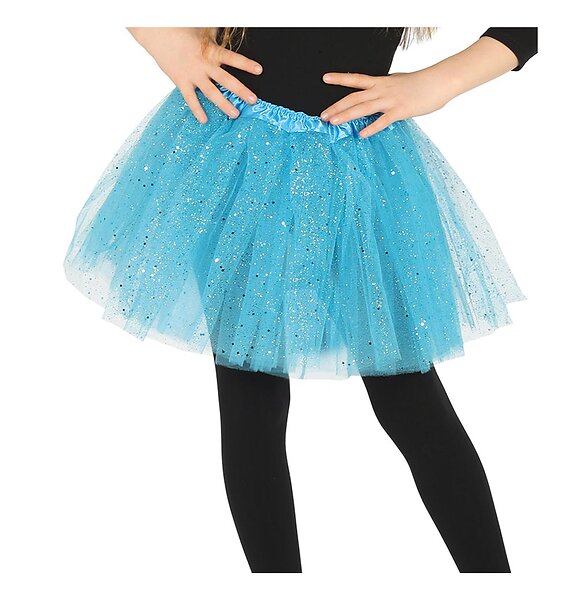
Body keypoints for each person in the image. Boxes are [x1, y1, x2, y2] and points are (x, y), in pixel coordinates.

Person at [62, 26, 538, 573]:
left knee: (409, 395)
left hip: (360, 162)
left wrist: (439, 83)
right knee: (251, 400)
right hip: (238, 154)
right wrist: (164, 39)